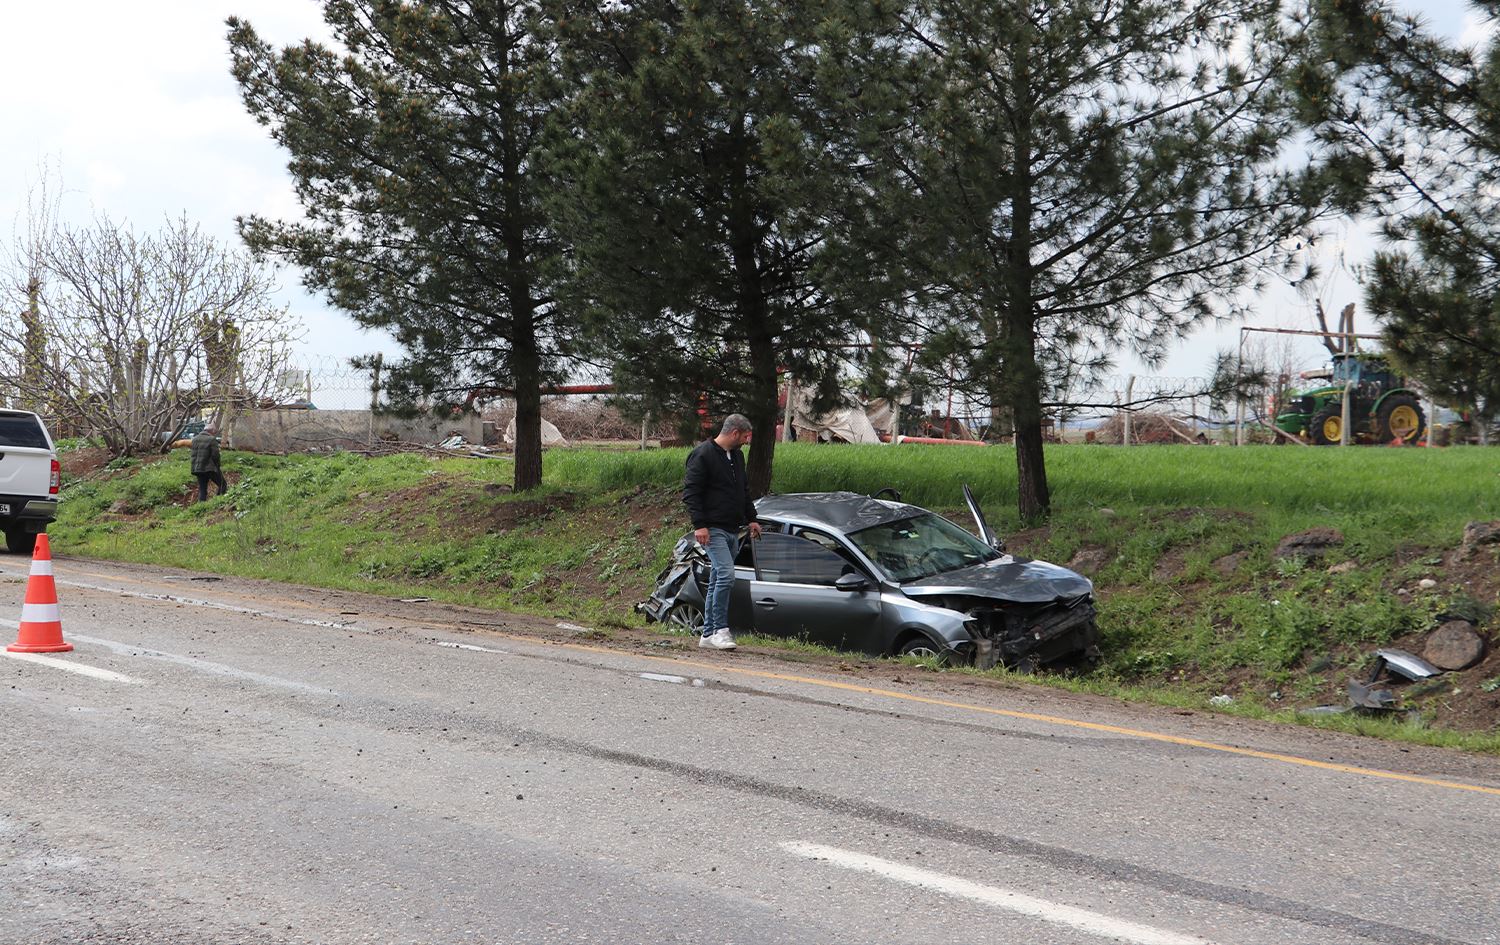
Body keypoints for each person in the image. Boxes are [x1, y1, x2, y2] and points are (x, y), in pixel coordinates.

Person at [682, 414, 761, 650]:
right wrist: (699, 525)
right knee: (726, 575)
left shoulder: (737, 457)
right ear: (735, 433)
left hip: (733, 529)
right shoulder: (702, 455)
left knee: (718, 578)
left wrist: (752, 519)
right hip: (712, 529)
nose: (747, 441)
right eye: (745, 436)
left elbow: (743, 490)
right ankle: (720, 630)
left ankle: (707, 634)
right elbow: (691, 493)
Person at [190, 424, 228, 502]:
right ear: (211, 431)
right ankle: (218, 501)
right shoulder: (211, 439)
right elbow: (215, 455)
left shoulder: (195, 439)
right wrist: (217, 466)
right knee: (222, 484)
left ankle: (201, 505)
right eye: (214, 432)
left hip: (197, 469)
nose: (214, 434)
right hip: (209, 468)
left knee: (202, 489)